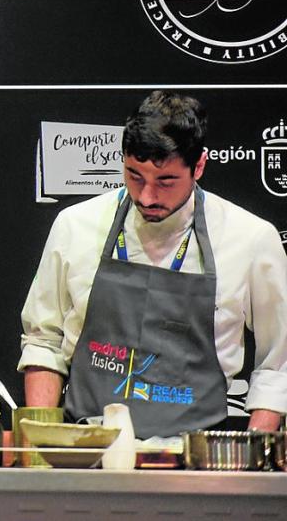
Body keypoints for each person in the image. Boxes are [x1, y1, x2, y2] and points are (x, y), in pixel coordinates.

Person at [19, 91, 286, 437]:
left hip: (196, 462)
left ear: (199, 166)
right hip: (87, 456)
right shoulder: (75, 225)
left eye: (165, 181)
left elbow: (278, 363)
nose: (147, 196)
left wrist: (252, 451)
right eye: (134, 176)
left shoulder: (250, 239)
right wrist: (42, 447)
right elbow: (44, 340)